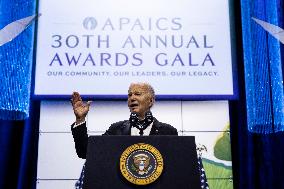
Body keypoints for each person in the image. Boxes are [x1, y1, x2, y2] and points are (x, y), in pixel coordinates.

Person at [71, 82, 178, 159]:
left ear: (150, 101)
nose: (132, 98)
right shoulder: (116, 130)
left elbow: (176, 164)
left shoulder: (168, 131)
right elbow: (86, 152)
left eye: (137, 94)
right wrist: (80, 120)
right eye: (129, 95)